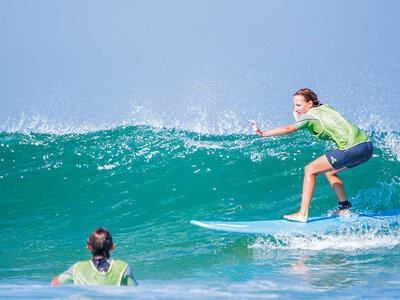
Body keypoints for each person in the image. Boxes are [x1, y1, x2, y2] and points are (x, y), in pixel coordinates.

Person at [249, 88, 373, 223]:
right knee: (330, 172)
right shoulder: (326, 108)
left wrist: (262, 133)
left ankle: (303, 213)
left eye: (298, 105)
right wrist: (302, 120)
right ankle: (344, 208)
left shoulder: (309, 116)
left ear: (309, 104)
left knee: (310, 169)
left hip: (351, 148)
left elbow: (287, 130)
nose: (296, 108)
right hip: (366, 146)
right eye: (294, 105)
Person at [51, 227, 137, 286]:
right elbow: (135, 291)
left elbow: (55, 283)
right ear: (112, 247)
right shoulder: (123, 267)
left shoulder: (77, 267)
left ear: (88, 247)